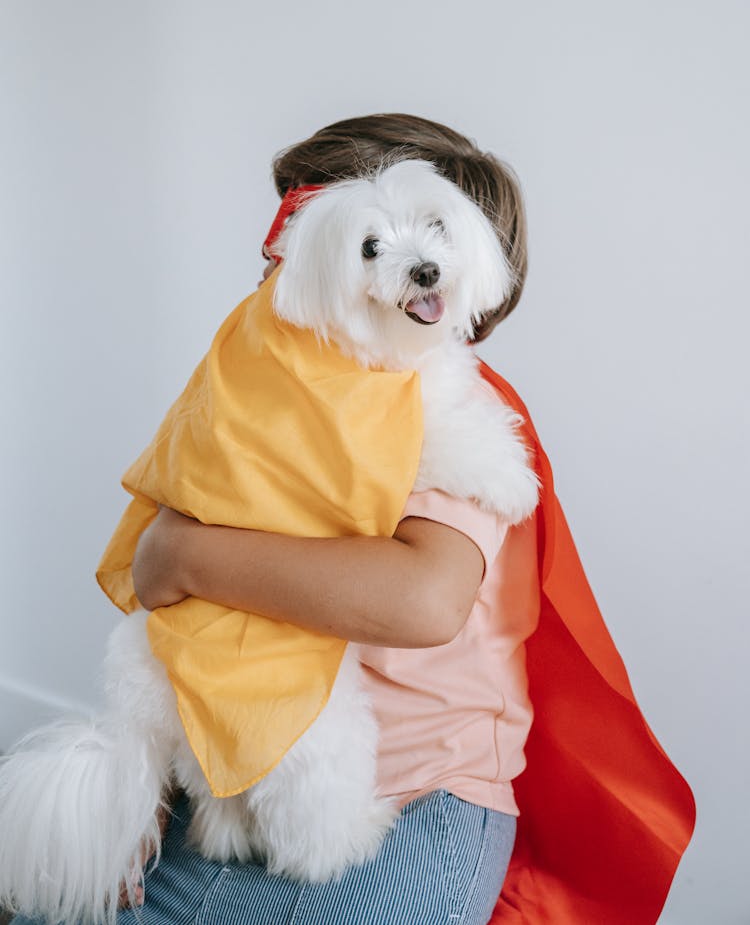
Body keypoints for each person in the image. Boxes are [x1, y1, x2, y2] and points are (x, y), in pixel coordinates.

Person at [11, 114, 695, 925]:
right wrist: (145, 792)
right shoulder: (278, 400)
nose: (273, 258)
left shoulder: (455, 406)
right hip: (247, 764)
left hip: (405, 798)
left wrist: (183, 552)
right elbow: (211, 634)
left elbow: (424, 599)